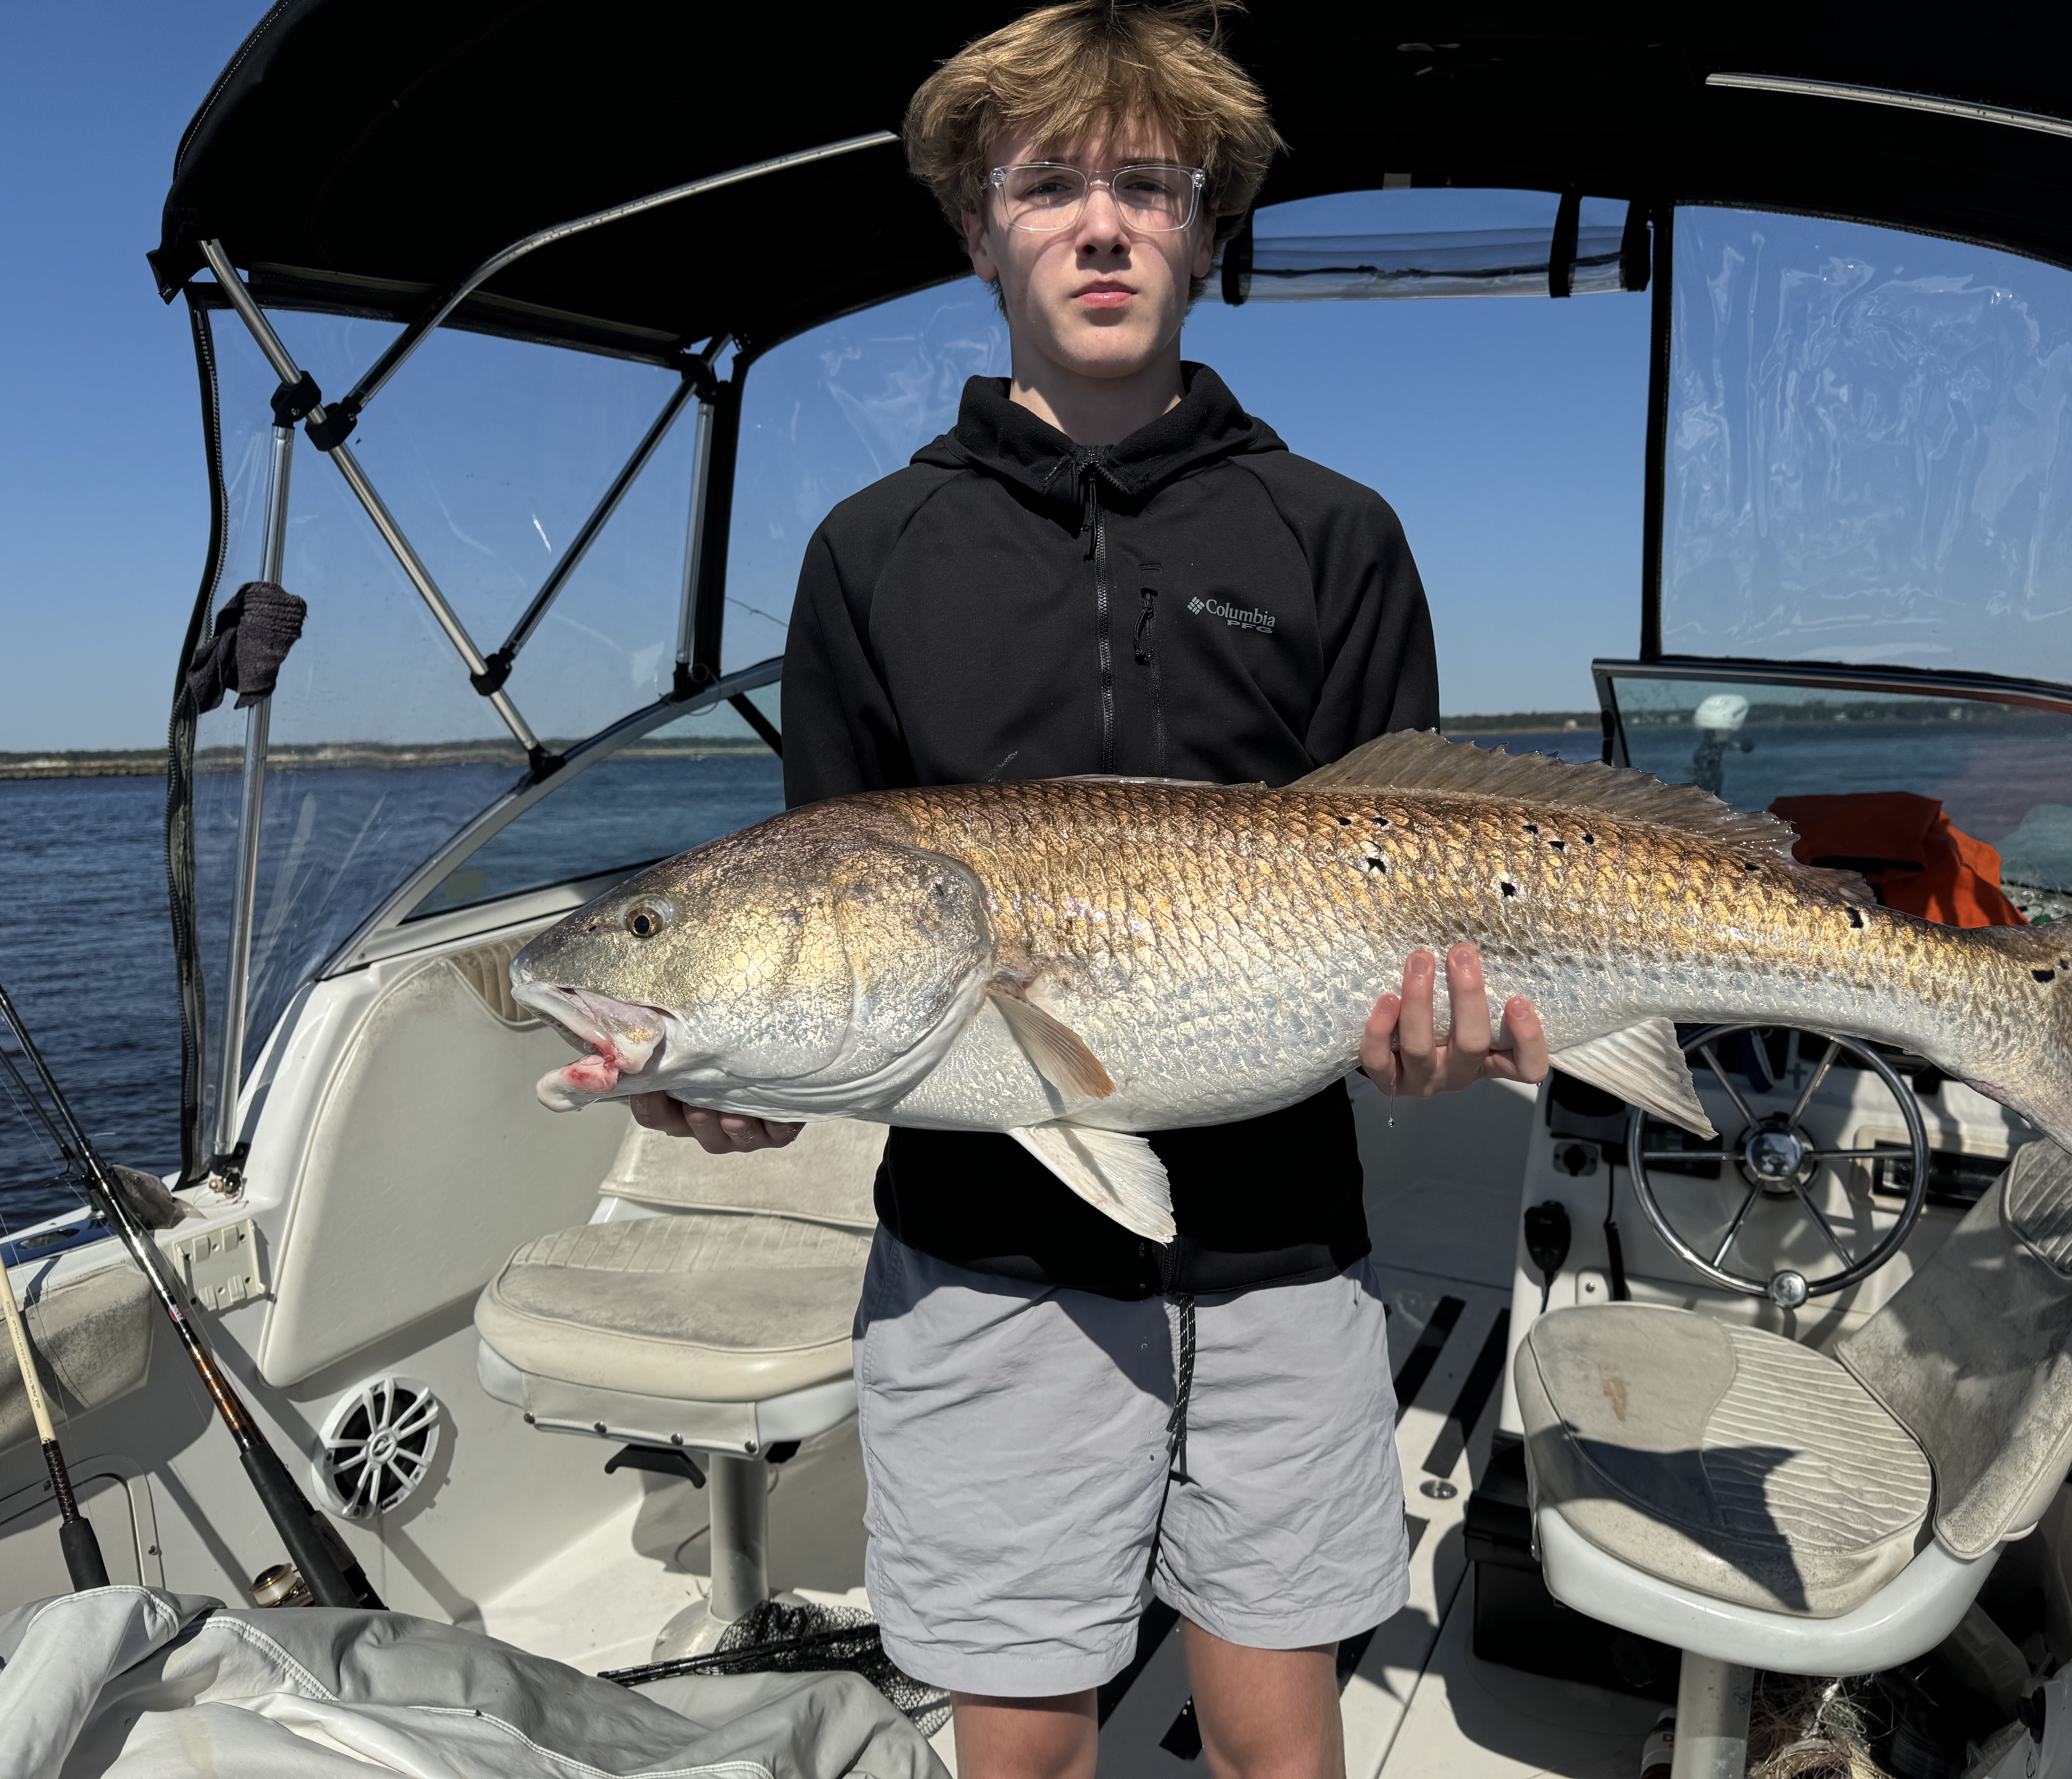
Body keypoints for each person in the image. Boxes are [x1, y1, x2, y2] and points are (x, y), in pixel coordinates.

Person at [632, 6, 1549, 1774]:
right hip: (985, 1263)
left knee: (1282, 1735)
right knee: (1027, 1740)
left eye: (1149, 183)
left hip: (1287, 1246)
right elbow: (831, 918)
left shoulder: (1331, 532)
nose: (1104, 223)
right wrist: (739, 1083)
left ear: (1210, 227)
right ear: (981, 229)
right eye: (1051, 186)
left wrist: (1439, 1039)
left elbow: (1418, 851)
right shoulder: (874, 557)